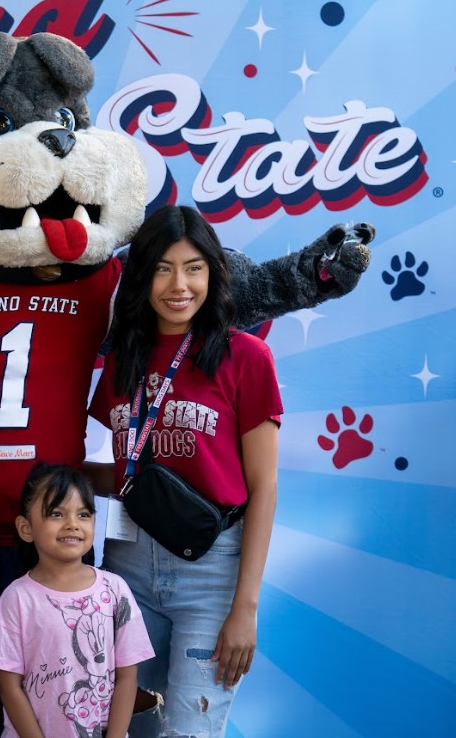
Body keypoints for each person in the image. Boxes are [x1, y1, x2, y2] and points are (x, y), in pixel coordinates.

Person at [88, 205, 283, 737]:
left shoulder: (246, 357)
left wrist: (245, 608)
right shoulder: (126, 358)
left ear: (213, 274)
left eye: (194, 267)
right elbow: (132, 472)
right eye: (162, 268)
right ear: (142, 275)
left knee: (189, 731)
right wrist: (67, 479)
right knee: (124, 728)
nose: (180, 284)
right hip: (129, 565)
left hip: (212, 573)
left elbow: (263, 488)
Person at [0, 463, 154, 738]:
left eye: (83, 514)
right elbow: (9, 687)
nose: (72, 523)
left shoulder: (115, 590)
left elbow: (127, 678)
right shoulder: (17, 598)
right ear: (26, 528)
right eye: (57, 514)